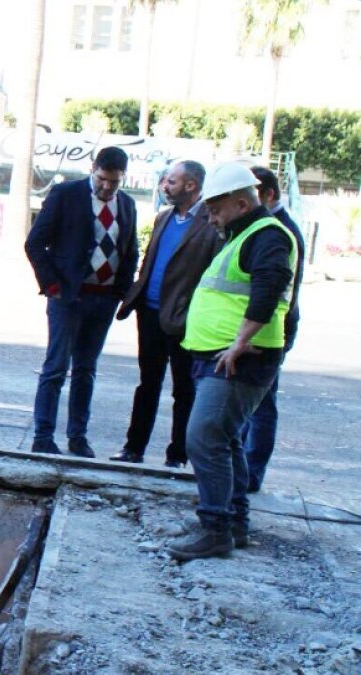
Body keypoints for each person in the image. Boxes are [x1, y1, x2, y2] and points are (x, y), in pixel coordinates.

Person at [167, 163, 296, 561]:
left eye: (216, 209)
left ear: (241, 203)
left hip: (237, 360)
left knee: (204, 437)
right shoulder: (245, 234)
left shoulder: (268, 235)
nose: (211, 217)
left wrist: (240, 343)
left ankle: (215, 528)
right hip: (222, 356)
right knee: (226, 439)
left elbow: (268, 290)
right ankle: (233, 521)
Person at [25, 146, 139, 457]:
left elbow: (130, 251)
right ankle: (43, 436)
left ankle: (78, 437)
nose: (107, 187)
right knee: (56, 367)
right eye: (102, 179)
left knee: (86, 370)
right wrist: (52, 285)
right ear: (93, 168)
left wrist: (121, 292)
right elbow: (35, 243)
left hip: (103, 301)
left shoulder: (126, 205)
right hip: (68, 297)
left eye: (114, 182)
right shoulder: (66, 195)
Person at [111, 160, 222, 468]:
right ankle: (133, 448)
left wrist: (193, 312)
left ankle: (178, 455)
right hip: (149, 312)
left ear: (191, 186)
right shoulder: (163, 217)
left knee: (184, 390)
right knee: (148, 383)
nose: (164, 186)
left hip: (184, 319)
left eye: (171, 181)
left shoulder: (210, 222)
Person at [241, 166, 306, 492]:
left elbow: (275, 293)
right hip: (262, 330)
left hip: (269, 332)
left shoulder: (278, 230)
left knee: (261, 404)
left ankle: (250, 474)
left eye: (250, 196)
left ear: (266, 194)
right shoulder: (271, 226)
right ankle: (241, 471)